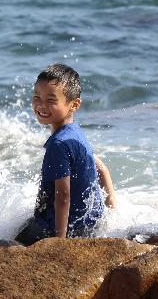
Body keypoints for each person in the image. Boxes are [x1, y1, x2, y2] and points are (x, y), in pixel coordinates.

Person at [16, 63, 116, 245]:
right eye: (37, 97)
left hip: (69, 229)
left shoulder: (58, 144)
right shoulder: (75, 133)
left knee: (6, 242)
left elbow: (63, 195)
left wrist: (59, 242)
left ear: (74, 104)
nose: (41, 105)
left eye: (51, 100)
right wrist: (111, 204)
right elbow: (101, 167)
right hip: (90, 224)